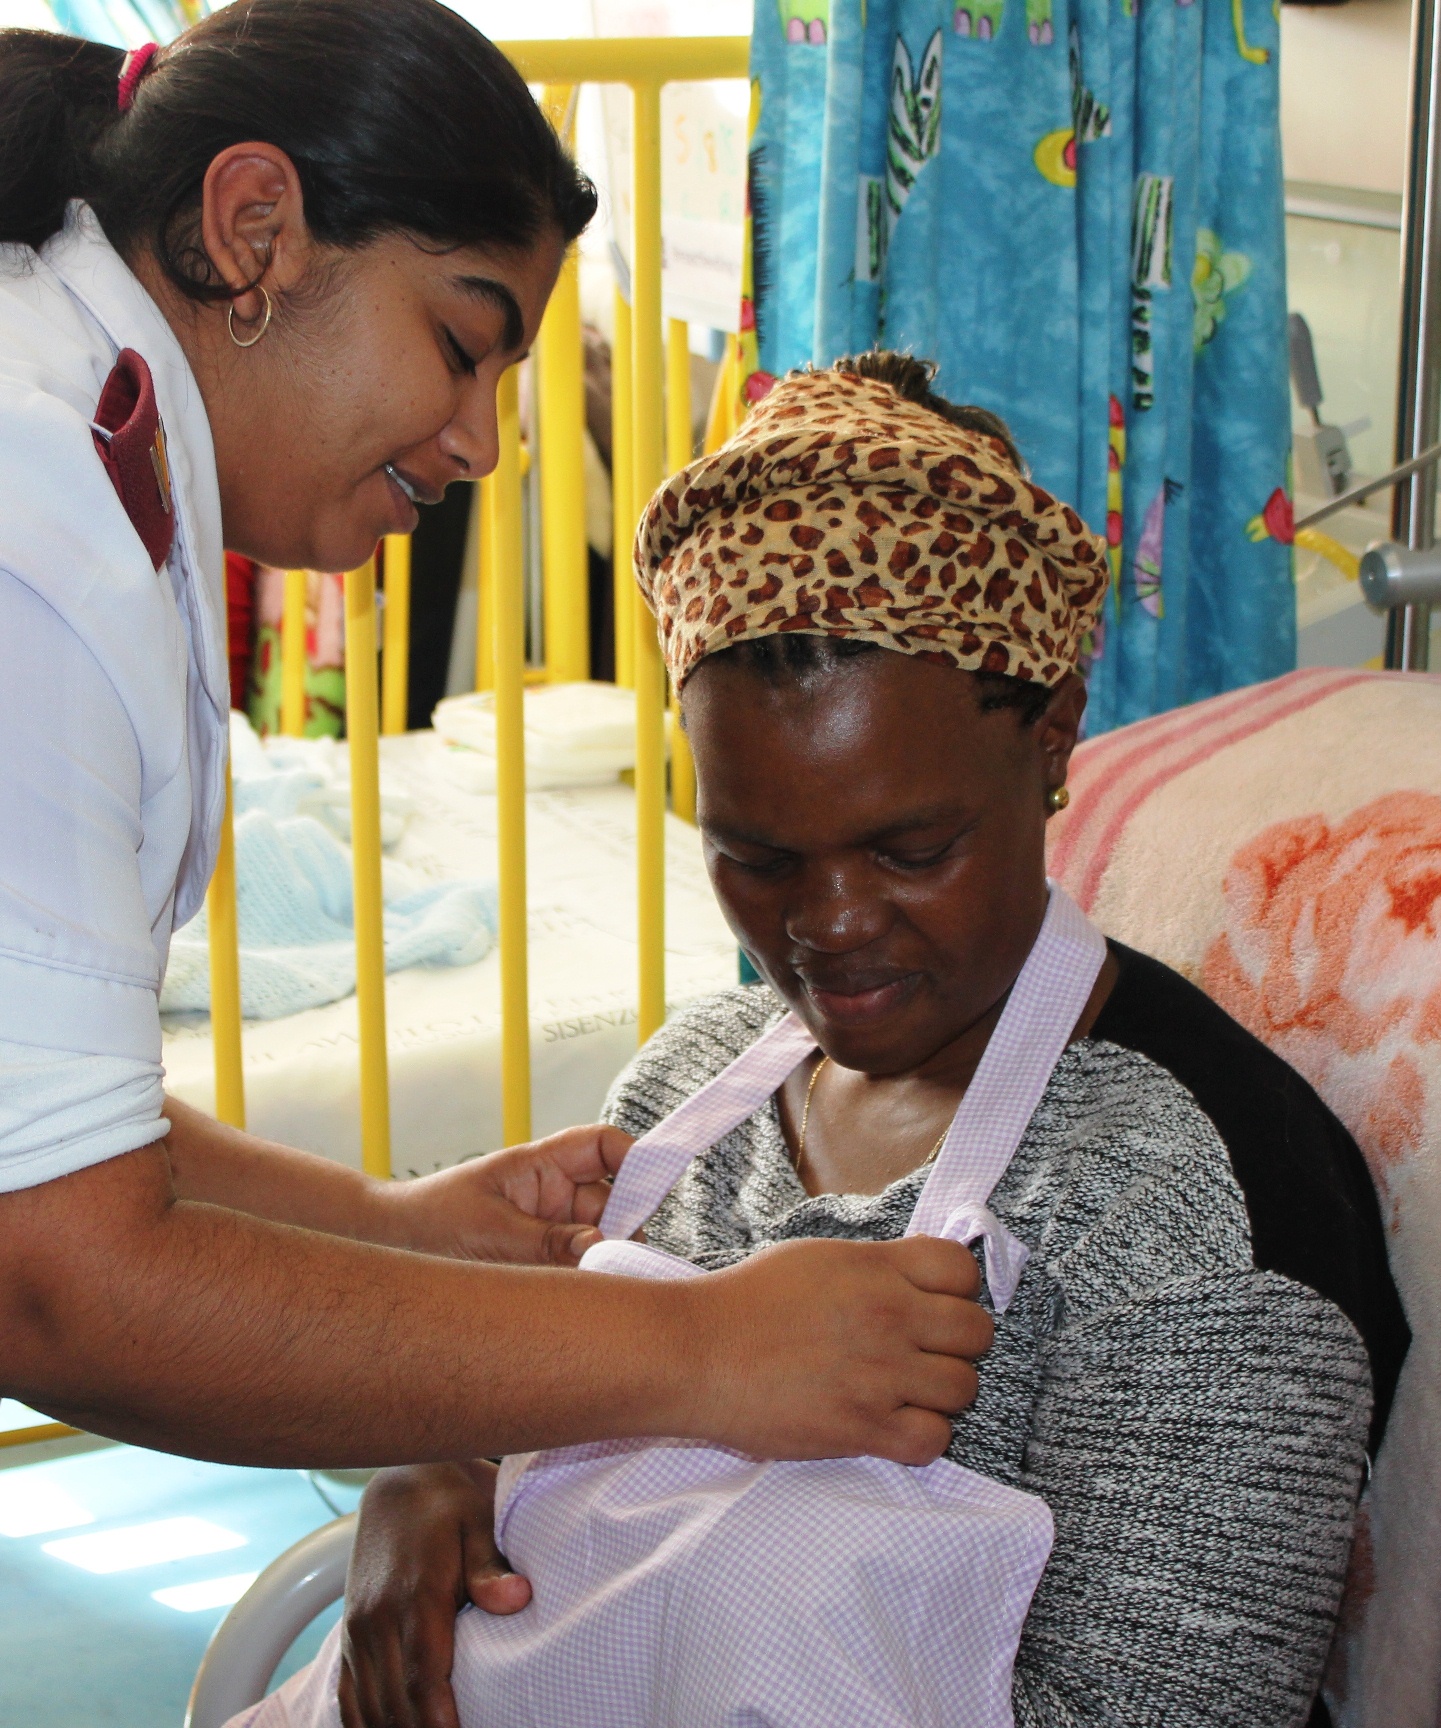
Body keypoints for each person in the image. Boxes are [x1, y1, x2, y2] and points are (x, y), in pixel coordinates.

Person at [325, 355, 1410, 1728]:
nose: (827, 929)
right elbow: (558, 1462)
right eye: (757, 858)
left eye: (909, 849)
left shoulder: (1184, 1205)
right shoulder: (682, 1098)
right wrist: (437, 1480)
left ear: (1053, 739)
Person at [0, 8, 992, 1496]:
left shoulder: (84, 448)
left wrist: (390, 1225)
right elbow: (53, 1278)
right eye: (461, 345)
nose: (481, 444)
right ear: (252, 227)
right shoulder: (41, 522)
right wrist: (704, 1355)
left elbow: (46, 1121)